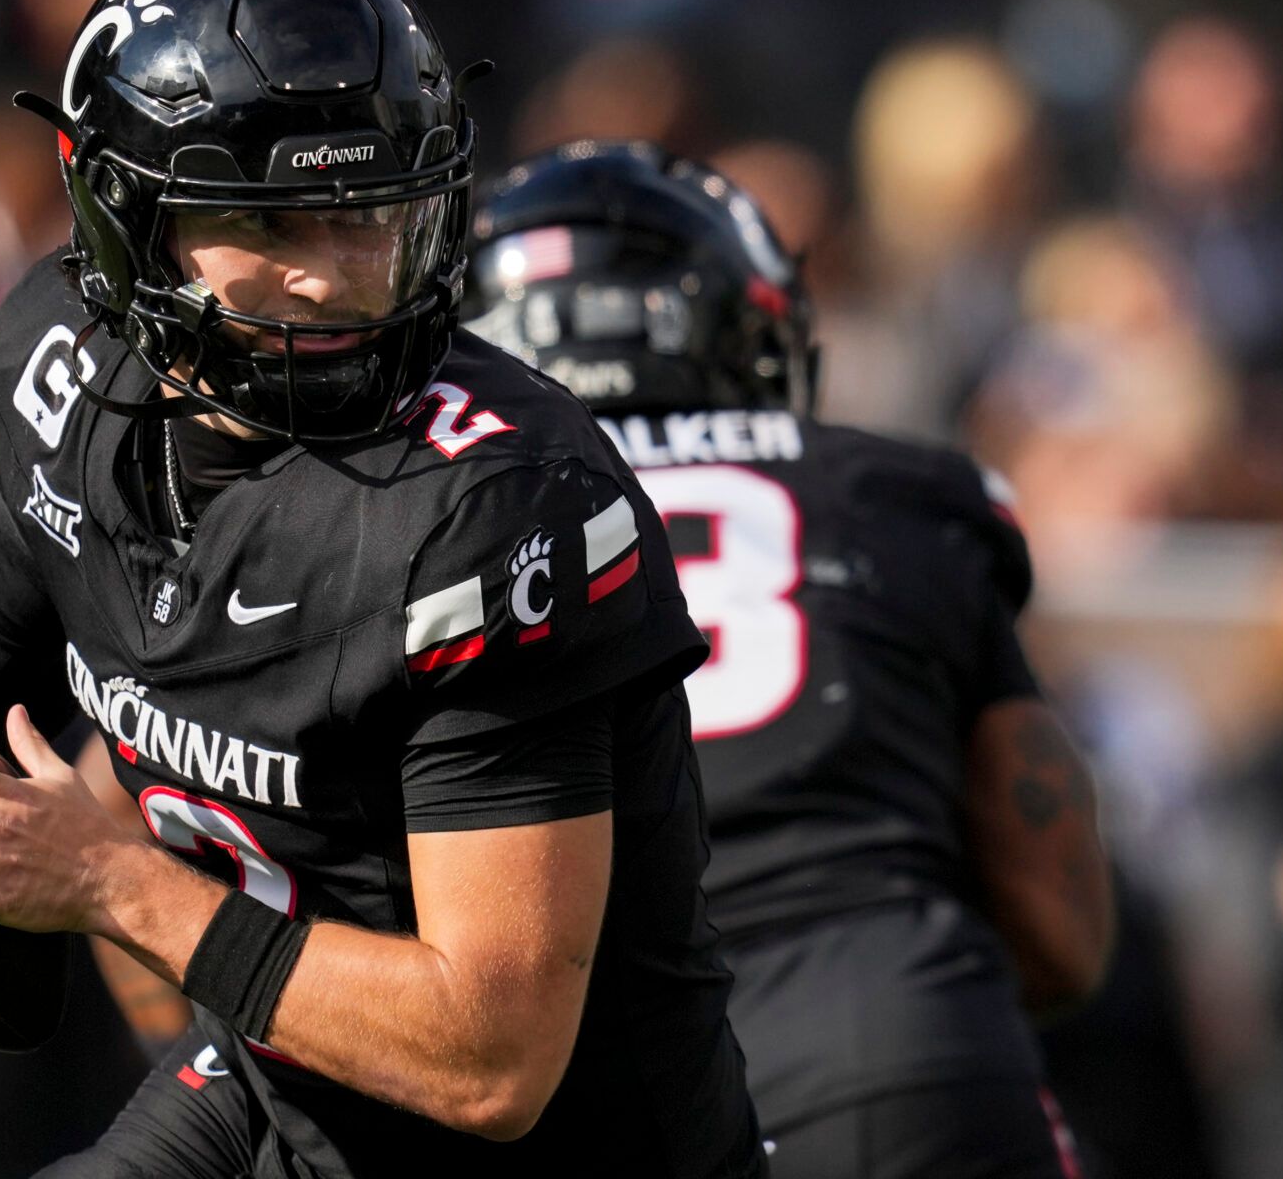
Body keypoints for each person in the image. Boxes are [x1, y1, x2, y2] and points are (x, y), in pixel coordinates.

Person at [0, 0, 764, 1178]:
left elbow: (493, 1053)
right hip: (278, 1076)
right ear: (130, 219)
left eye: (372, 212)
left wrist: (115, 883)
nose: (341, 277)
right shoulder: (65, 369)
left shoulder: (486, 508)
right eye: (274, 221)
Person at [464, 140, 1114, 1178]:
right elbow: (1061, 926)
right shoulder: (900, 493)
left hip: (606, 1097)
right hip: (894, 1040)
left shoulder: (433, 538)